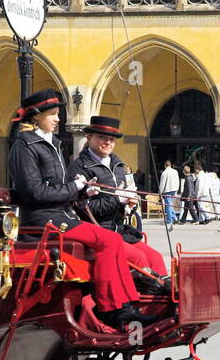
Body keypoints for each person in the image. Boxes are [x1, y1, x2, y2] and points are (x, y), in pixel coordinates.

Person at [8, 92, 157, 329]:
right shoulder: (24, 146)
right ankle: (112, 308)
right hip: (42, 220)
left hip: (60, 216)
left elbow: (57, 187)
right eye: (53, 115)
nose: (58, 120)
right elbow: (34, 192)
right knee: (108, 241)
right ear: (37, 117)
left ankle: (127, 304)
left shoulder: (52, 144)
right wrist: (74, 187)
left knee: (113, 241)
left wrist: (81, 192)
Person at [68, 114, 170, 282]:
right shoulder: (79, 167)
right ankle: (137, 302)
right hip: (97, 232)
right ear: (89, 137)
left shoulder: (118, 165)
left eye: (112, 139)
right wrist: (118, 200)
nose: (107, 142)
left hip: (119, 230)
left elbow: (125, 201)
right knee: (138, 259)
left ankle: (162, 299)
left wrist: (130, 205)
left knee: (155, 257)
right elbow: (82, 208)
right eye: (102, 137)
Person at [158, 159, 180, 226]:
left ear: (165, 166)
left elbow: (162, 184)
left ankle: (169, 220)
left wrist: (160, 192)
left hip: (167, 190)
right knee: (170, 205)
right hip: (174, 189)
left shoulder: (164, 173)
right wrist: (177, 189)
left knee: (168, 206)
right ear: (170, 165)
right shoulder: (175, 171)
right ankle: (175, 218)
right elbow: (177, 181)